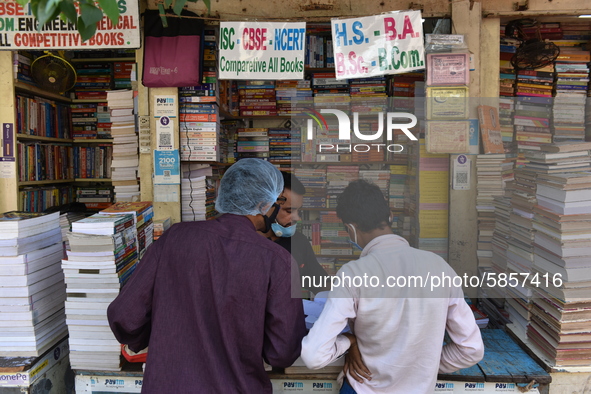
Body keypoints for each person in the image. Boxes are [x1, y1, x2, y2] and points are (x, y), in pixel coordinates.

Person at [107, 159, 306, 393]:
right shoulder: (277, 260)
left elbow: (124, 315)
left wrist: (162, 334)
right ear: (264, 205)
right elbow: (282, 353)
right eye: (277, 203)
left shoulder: (174, 239)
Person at [300, 180, 484, 394]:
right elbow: (471, 350)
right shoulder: (440, 267)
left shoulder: (353, 274)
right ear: (389, 217)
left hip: (364, 387)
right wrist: (421, 367)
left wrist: (348, 341)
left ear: (350, 228)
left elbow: (314, 356)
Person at [259, 171, 330, 293]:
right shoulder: (245, 243)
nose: (297, 218)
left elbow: (320, 283)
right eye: (289, 211)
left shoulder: (299, 242)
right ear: (265, 206)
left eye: (298, 211)